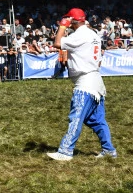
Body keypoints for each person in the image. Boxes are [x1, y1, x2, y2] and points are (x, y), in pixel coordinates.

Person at [47, 8, 117, 161]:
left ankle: (65, 151)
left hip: (84, 83)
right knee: (97, 120)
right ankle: (108, 150)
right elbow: (99, 61)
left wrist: (62, 26)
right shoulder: (93, 34)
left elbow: (57, 43)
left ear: (73, 20)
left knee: (76, 118)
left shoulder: (79, 35)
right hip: (96, 81)